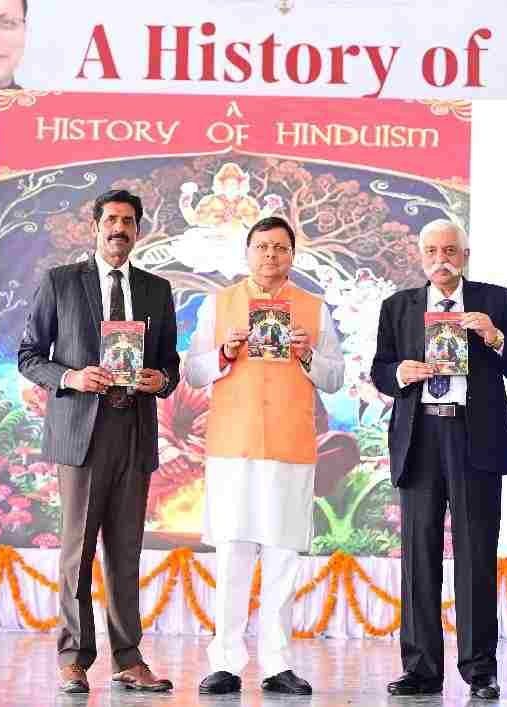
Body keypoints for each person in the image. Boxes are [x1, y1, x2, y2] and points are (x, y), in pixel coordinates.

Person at [19, 189, 180, 694]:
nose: (119, 229)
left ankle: (128, 659)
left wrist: (161, 380)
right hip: (82, 433)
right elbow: (29, 355)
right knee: (78, 551)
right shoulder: (62, 282)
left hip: (134, 430)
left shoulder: (156, 289)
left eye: (128, 221)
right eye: (111, 219)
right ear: (96, 226)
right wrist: (71, 378)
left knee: (126, 552)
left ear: (138, 230)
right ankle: (73, 657)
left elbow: (170, 364)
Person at [371, 219, 507, 701]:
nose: (440, 260)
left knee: (476, 555)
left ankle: (480, 670)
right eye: (431, 251)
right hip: (420, 437)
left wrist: (494, 337)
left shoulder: (494, 300)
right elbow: (380, 370)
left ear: (464, 255)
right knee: (418, 558)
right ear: (420, 255)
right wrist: (399, 372)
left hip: (474, 438)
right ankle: (420, 669)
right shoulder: (398, 306)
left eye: (449, 251)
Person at [184, 215, 344, 696]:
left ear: (293, 255)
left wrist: (308, 355)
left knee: (282, 558)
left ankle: (277, 664)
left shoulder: (313, 308)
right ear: (248, 252)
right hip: (233, 447)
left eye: (280, 247)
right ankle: (225, 662)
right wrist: (224, 353)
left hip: (290, 447)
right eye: (262, 246)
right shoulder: (219, 303)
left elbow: (335, 378)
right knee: (233, 556)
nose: (270, 255)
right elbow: (193, 372)